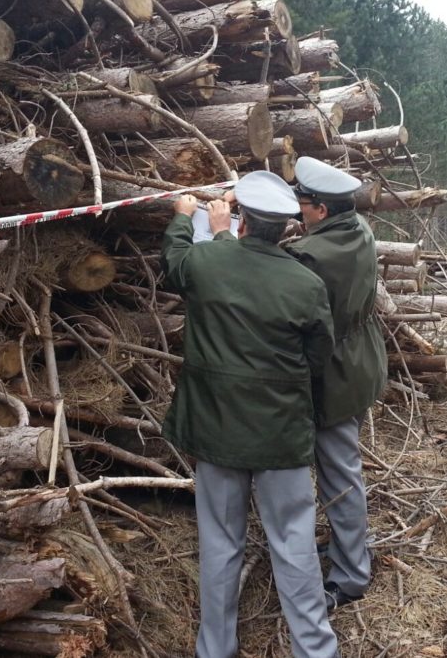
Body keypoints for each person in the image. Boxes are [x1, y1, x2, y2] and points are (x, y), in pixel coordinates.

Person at [160, 171, 341, 658]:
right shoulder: (305, 283)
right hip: (280, 435)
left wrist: (184, 219)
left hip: (216, 430)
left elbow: (174, 263)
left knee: (220, 544)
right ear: (285, 227)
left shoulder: (209, 260)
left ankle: (215, 649)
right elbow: (318, 356)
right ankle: (316, 650)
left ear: (241, 222)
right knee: (294, 544)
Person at [286, 157, 388, 612]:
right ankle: (348, 550)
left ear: (321, 211)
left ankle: (350, 575)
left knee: (340, 476)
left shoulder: (313, 255)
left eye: (302, 203)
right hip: (361, 362)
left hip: (336, 373)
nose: (297, 211)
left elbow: (272, 274)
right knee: (341, 469)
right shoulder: (357, 228)